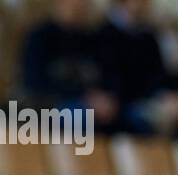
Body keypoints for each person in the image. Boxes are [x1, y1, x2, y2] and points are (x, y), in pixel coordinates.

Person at [16, 0, 118, 130]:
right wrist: (84, 97)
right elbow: (33, 81)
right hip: (47, 104)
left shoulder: (93, 39)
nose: (82, 5)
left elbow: (105, 77)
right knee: (80, 116)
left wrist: (107, 99)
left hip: (91, 105)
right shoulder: (40, 36)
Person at [96, 0, 178, 136]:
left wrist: (169, 93)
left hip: (147, 100)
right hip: (118, 102)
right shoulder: (104, 33)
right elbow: (105, 77)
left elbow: (159, 76)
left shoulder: (149, 36)